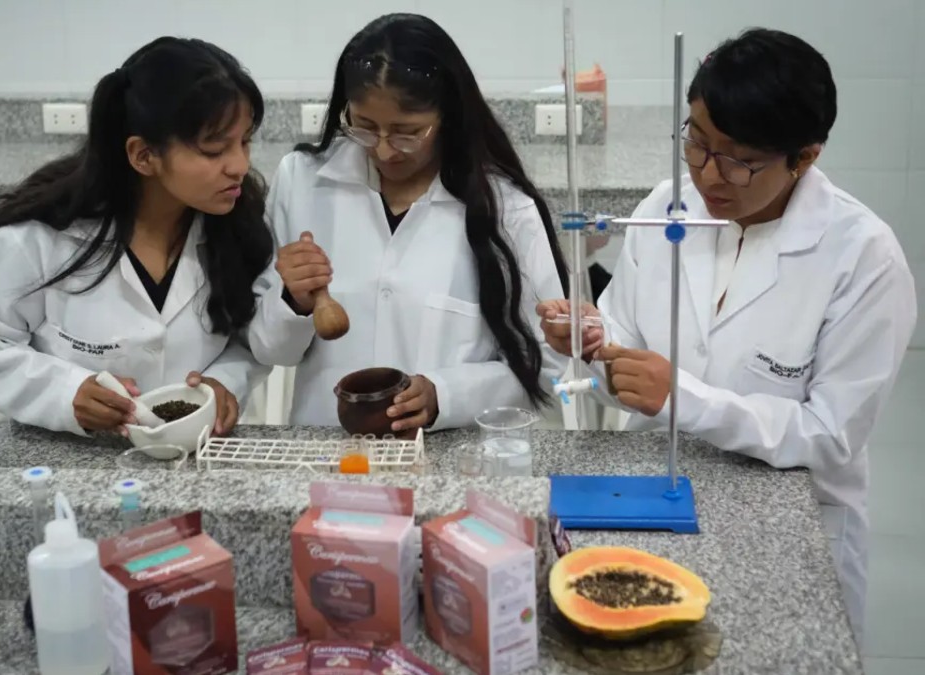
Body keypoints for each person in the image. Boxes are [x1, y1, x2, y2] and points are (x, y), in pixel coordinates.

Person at [537, 28, 916, 641]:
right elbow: (624, 341)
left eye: (739, 158)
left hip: (785, 522)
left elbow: (830, 436)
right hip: (649, 496)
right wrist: (590, 341)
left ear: (806, 155)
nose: (708, 175)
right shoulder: (668, 205)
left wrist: (684, 398)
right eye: (696, 142)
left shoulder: (863, 259)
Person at [247, 13, 569, 432]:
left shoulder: (506, 208)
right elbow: (267, 349)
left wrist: (445, 395)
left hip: (454, 460)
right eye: (364, 127)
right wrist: (292, 302)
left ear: (448, 117)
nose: (383, 151)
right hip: (329, 453)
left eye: (407, 132)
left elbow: (551, 366)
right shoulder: (303, 181)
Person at [0, 37, 273, 437]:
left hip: (199, 453)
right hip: (72, 464)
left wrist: (226, 382)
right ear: (143, 155)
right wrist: (65, 394)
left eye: (245, 141)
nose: (239, 165)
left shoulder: (240, 227)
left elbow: (252, 337)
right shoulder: (42, 239)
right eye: (214, 150)